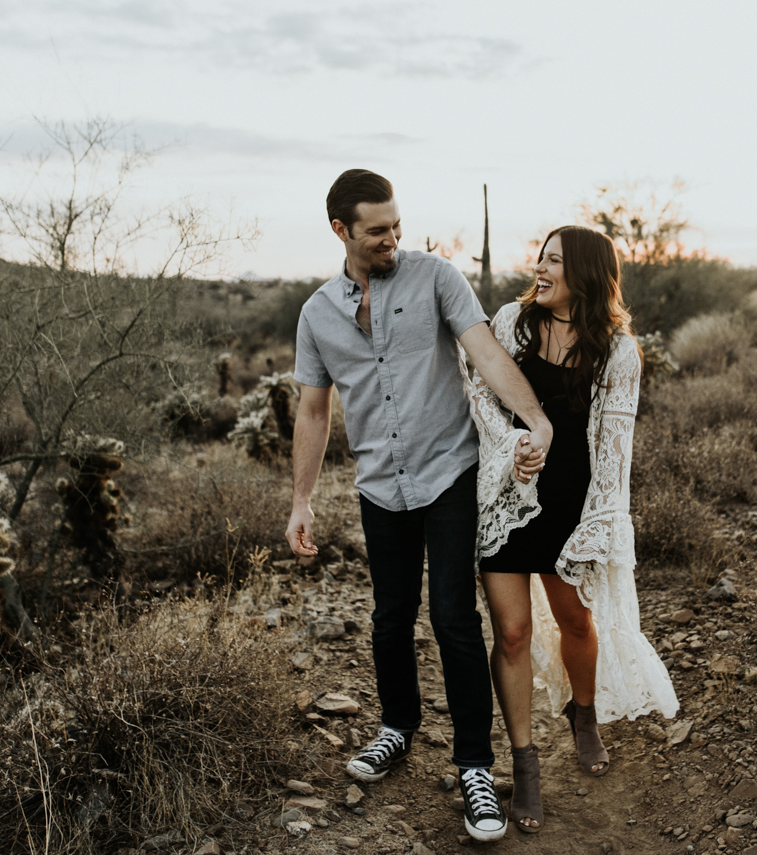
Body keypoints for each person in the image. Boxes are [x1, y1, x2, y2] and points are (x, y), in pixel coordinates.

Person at [285, 169, 553, 843]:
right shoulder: (317, 314)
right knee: (389, 614)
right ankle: (398, 726)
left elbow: (485, 351)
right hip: (380, 481)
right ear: (341, 230)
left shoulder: (435, 277)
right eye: (377, 230)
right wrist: (301, 499)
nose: (393, 238)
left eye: (397, 225)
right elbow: (313, 410)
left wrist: (535, 419)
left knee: (454, 616)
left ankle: (475, 768)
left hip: (447, 472)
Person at [466, 225, 678, 834]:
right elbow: (481, 394)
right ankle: (525, 763)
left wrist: (597, 528)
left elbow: (614, 452)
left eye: (554, 260)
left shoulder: (617, 351)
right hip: (507, 496)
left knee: (575, 623)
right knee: (510, 634)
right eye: (540, 255)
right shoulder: (511, 322)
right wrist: (511, 447)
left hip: (573, 507)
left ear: (582, 273)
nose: (540, 267)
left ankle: (583, 714)